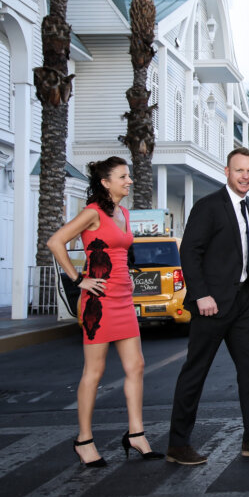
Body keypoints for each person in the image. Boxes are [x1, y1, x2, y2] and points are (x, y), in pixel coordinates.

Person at [166, 147, 249, 466]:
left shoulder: (248, 208)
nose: (246, 176)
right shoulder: (208, 207)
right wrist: (201, 294)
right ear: (227, 172)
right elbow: (190, 252)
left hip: (243, 307)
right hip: (211, 306)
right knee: (196, 371)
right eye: (240, 171)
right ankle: (177, 445)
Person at [48, 156, 162, 467]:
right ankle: (84, 440)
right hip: (99, 303)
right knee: (94, 373)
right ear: (105, 182)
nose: (129, 181)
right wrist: (78, 279)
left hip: (124, 299)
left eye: (129, 176)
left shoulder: (124, 213)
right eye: (123, 176)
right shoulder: (92, 213)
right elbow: (56, 242)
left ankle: (136, 433)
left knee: (136, 366)